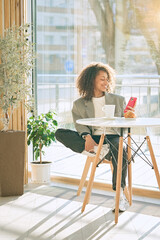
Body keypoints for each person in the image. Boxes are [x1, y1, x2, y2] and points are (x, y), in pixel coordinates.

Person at [55, 62, 133, 212]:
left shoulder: (118, 99)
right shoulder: (79, 104)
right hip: (93, 137)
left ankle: (120, 195)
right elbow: (80, 125)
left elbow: (125, 125)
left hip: (112, 135)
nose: (106, 82)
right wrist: (87, 137)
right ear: (91, 81)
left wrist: (128, 116)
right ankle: (99, 150)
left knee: (120, 150)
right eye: (102, 79)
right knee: (60, 133)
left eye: (107, 79)